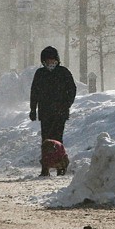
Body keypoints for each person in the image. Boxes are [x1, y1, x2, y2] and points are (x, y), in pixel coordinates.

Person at [29, 46, 76, 176]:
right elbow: (34, 92)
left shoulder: (63, 72)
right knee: (46, 140)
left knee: (58, 140)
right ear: (43, 62)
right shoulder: (40, 74)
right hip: (45, 113)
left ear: (57, 60)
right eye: (47, 61)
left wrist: (66, 104)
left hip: (60, 113)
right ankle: (46, 167)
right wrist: (33, 109)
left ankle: (61, 166)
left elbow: (72, 90)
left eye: (52, 61)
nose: (50, 64)